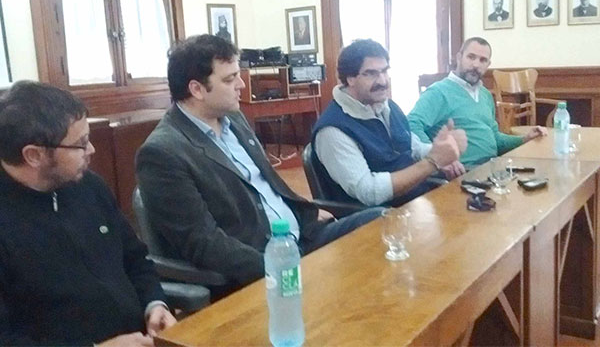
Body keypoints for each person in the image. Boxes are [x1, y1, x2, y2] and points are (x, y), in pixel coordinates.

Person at [135, 34, 381, 296]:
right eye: (230, 79)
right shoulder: (162, 152)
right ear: (197, 89)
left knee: (381, 221)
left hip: (301, 237)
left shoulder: (233, 119)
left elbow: (265, 185)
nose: (241, 84)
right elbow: (203, 243)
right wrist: (282, 267)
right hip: (260, 265)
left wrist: (303, 211)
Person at [0, 81, 176, 346]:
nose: (92, 150)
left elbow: (135, 259)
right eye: (80, 144)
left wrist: (155, 303)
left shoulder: (89, 186)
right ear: (34, 155)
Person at [311, 39, 467, 207]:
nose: (383, 81)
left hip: (416, 202)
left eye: (385, 71)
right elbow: (368, 191)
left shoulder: (387, 106)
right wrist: (432, 162)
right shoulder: (333, 129)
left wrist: (442, 151)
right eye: (371, 73)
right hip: (380, 216)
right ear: (350, 79)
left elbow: (413, 148)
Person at [408, 37, 547, 168]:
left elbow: (496, 139)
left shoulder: (485, 95)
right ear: (459, 57)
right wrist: (436, 157)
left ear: (488, 65)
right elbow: (411, 124)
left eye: (482, 60)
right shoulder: (438, 92)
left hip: (491, 170)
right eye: (471, 57)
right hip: (460, 175)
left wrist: (525, 139)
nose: (476, 65)